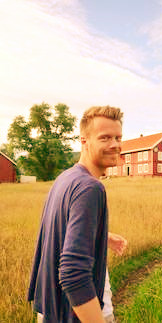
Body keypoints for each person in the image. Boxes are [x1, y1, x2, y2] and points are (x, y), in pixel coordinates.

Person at [28, 106, 127, 322]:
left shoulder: (65, 178)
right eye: (105, 138)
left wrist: (104, 236)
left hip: (50, 310)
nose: (115, 145)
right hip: (73, 314)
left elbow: (60, 227)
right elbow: (73, 274)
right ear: (84, 141)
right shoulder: (90, 188)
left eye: (118, 137)